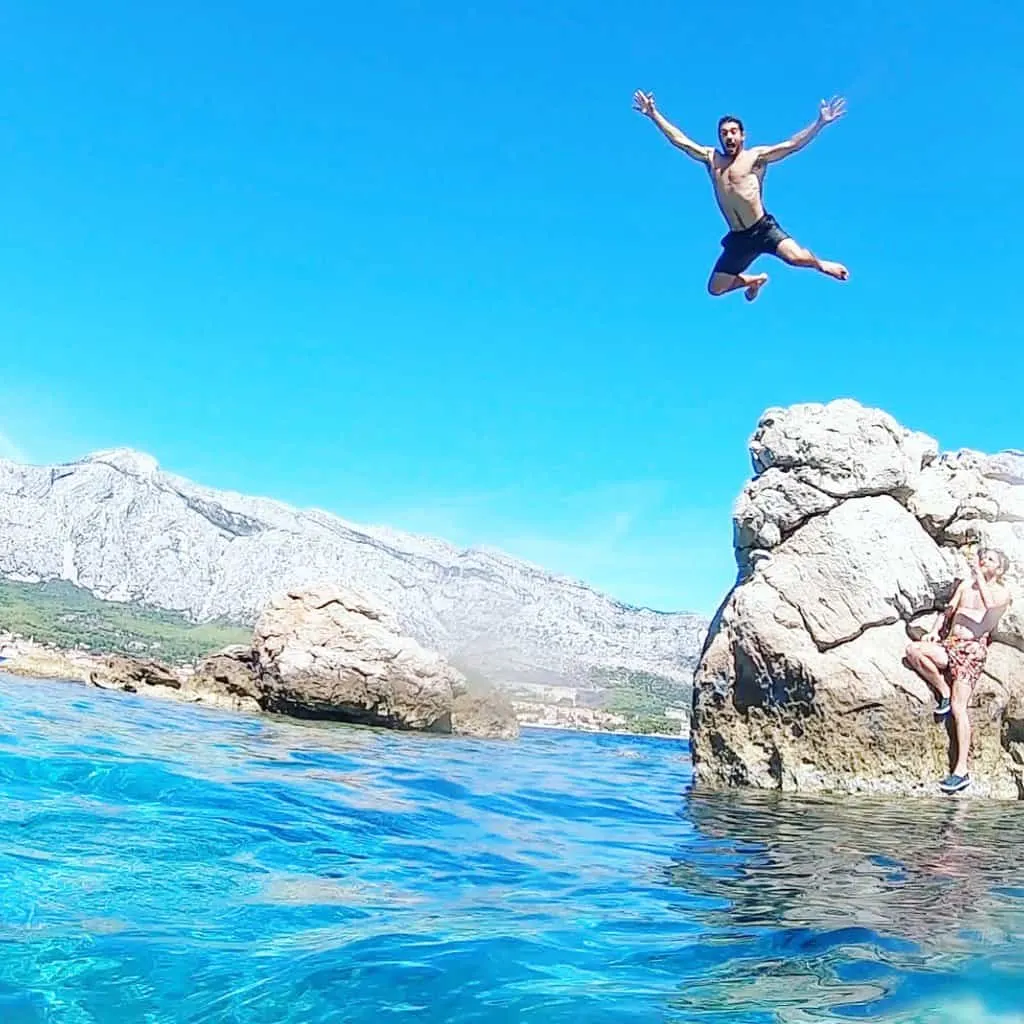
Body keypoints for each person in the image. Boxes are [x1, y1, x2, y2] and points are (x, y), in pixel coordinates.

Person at [632, 90, 850, 301]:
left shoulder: (755, 157)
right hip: (738, 237)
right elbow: (680, 141)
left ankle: (822, 265)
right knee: (715, 288)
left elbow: (791, 145)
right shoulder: (712, 159)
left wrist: (819, 123)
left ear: (742, 135)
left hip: (763, 229)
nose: (728, 136)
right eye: (724, 133)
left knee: (797, 258)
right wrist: (653, 114)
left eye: (733, 132)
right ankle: (752, 281)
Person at [905, 548, 1013, 794]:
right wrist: (934, 629)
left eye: (991, 560)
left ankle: (961, 770)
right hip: (950, 644)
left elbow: (990, 606)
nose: (984, 560)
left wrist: (979, 576)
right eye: (983, 557)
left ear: (1000, 569)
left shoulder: (1001, 593)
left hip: (972, 651)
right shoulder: (965, 586)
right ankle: (942, 690)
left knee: (958, 706)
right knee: (914, 651)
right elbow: (948, 612)